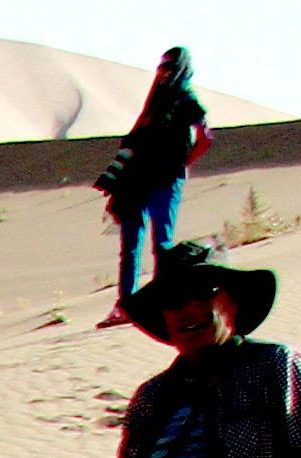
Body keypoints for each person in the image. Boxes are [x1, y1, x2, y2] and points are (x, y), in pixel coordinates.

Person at [87, 243, 301, 458]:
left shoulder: (273, 366)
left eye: (203, 292)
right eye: (172, 299)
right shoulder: (151, 396)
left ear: (234, 301)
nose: (188, 309)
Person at [97, 49, 208, 308]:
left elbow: (205, 138)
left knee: (162, 245)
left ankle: (162, 302)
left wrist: (182, 164)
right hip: (139, 179)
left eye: (169, 67)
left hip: (166, 180)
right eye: (161, 67)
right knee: (130, 245)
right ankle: (126, 305)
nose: (163, 72)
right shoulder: (156, 100)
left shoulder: (186, 99)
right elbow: (137, 137)